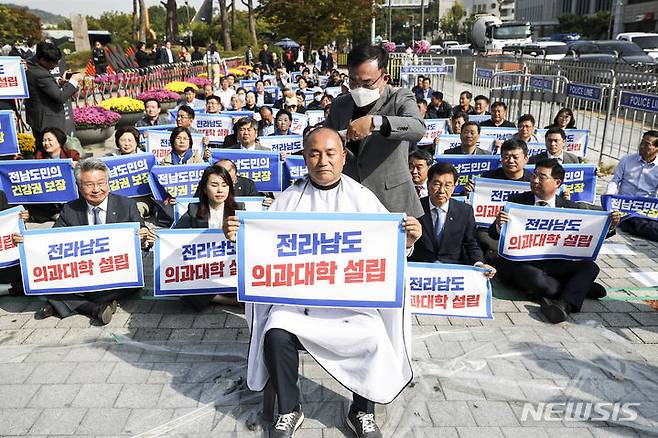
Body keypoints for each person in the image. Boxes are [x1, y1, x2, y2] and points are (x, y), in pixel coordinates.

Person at [223, 127, 421, 438]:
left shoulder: (363, 198)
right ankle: (289, 409)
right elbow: (262, 249)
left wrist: (407, 241)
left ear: (343, 157)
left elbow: (389, 250)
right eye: (314, 153)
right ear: (304, 158)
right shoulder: (288, 199)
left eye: (331, 153)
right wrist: (239, 237)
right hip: (299, 303)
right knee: (275, 333)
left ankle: (361, 411)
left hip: (350, 303)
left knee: (374, 335)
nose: (323, 161)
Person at [21, 158, 155, 324]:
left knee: (66, 291)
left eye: (101, 183)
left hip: (116, 275)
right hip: (85, 273)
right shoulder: (70, 208)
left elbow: (143, 237)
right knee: (45, 281)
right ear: (79, 186)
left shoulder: (125, 204)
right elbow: (52, 240)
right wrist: (26, 240)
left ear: (108, 182)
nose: (96, 189)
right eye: (89, 185)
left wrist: (145, 237)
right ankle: (94, 308)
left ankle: (62, 304)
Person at [489, 159, 620, 323]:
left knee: (590, 267)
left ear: (557, 182)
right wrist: (499, 224)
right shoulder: (516, 201)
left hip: (556, 263)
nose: (535, 180)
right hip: (523, 264)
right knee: (537, 280)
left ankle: (564, 304)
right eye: (534, 175)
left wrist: (611, 225)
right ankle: (578, 289)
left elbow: (590, 234)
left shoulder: (569, 207)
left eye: (542, 177)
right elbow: (493, 234)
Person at [324, 45, 425, 217]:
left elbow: (417, 128)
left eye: (367, 83)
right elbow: (325, 140)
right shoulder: (340, 105)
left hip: (392, 201)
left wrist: (375, 123)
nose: (359, 88)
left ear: (384, 78)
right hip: (349, 201)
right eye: (353, 82)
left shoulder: (399, 98)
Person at [409, 162, 497, 276]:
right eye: (437, 184)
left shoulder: (465, 211)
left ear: (454, 186)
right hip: (420, 270)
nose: (441, 190)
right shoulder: (414, 208)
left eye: (447, 185)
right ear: (428, 184)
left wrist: (479, 264)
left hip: (452, 270)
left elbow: (471, 243)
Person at [175, 166, 244, 309]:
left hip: (228, 266)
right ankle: (223, 300)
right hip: (203, 267)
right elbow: (175, 235)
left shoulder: (239, 210)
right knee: (184, 284)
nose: (220, 190)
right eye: (214, 185)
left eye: (224, 185)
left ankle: (215, 297)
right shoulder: (194, 209)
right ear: (205, 189)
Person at [25, 42, 82, 146]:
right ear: (42, 60)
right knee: (51, 151)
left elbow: (41, 86)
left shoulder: (30, 64)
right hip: (48, 122)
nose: (56, 65)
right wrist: (74, 81)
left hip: (38, 118)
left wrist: (58, 81)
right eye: (54, 63)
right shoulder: (40, 74)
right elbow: (61, 97)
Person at [606, 130, 658, 242]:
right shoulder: (627, 160)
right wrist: (609, 196)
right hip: (625, 208)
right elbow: (615, 180)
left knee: (650, 223)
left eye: (647, 144)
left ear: (656, 148)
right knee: (639, 224)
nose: (642, 146)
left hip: (647, 208)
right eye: (642, 142)